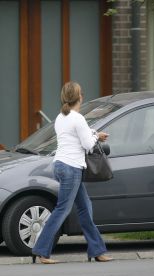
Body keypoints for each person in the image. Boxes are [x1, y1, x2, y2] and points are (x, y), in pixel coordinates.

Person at [32, 81, 113, 264]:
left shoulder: (62, 117)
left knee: (85, 208)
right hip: (71, 168)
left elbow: (74, 134)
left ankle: (97, 250)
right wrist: (97, 136)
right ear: (80, 97)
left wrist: (92, 133)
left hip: (61, 165)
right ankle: (41, 251)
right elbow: (87, 144)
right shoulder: (78, 118)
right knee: (62, 209)